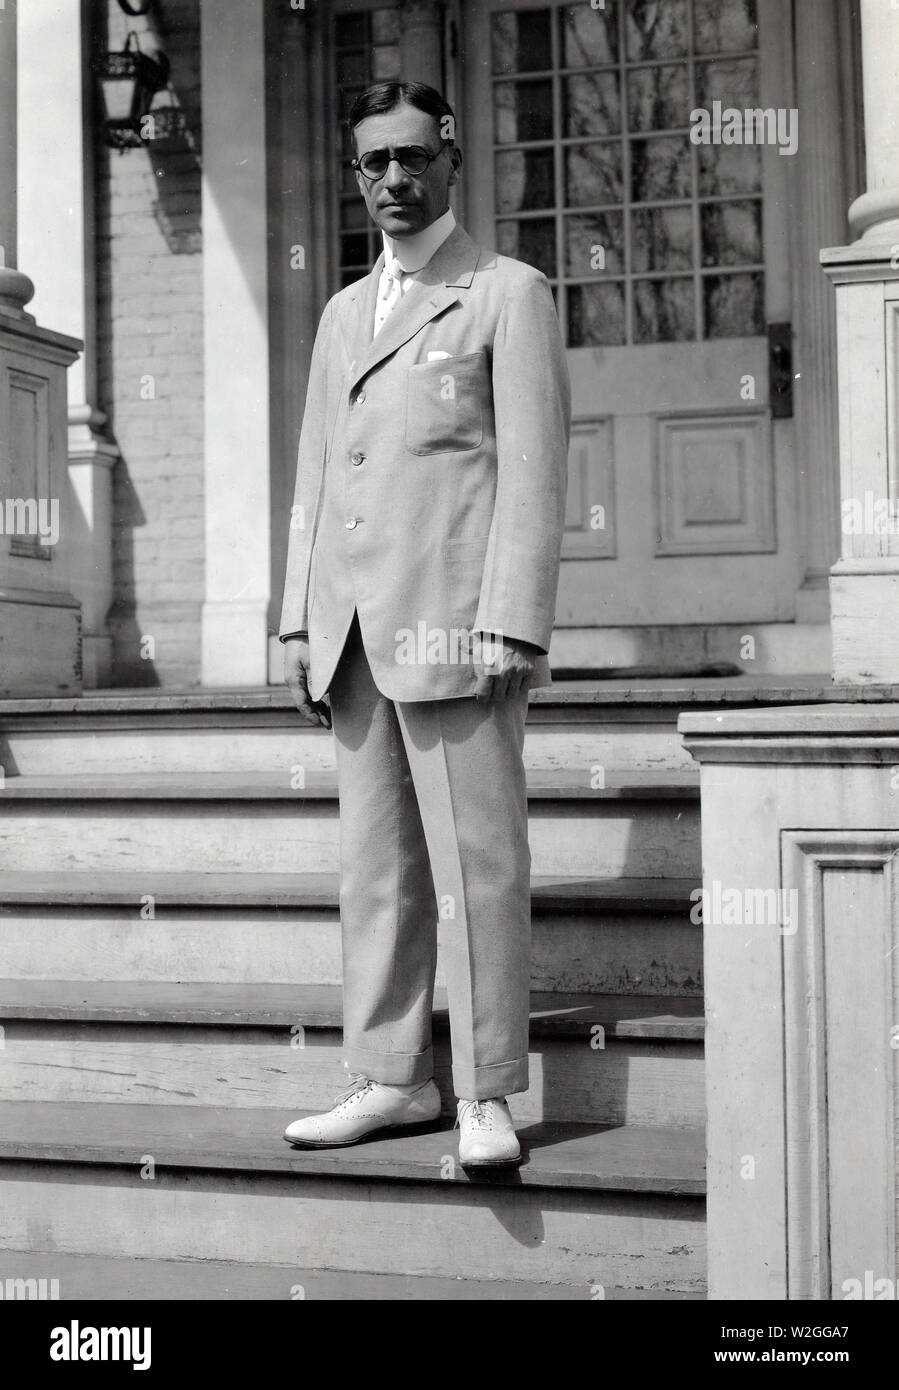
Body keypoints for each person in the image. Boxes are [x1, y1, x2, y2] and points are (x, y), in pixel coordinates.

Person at [280, 80, 570, 1167]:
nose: (394, 181)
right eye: (373, 165)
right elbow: (313, 472)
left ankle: (487, 1090)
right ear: (357, 177)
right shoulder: (341, 314)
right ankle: (390, 1076)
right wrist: (298, 624)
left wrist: (513, 618)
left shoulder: (506, 293)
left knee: (475, 863)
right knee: (376, 868)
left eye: (412, 158)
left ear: (450, 159)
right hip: (352, 633)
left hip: (457, 629)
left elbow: (534, 472)